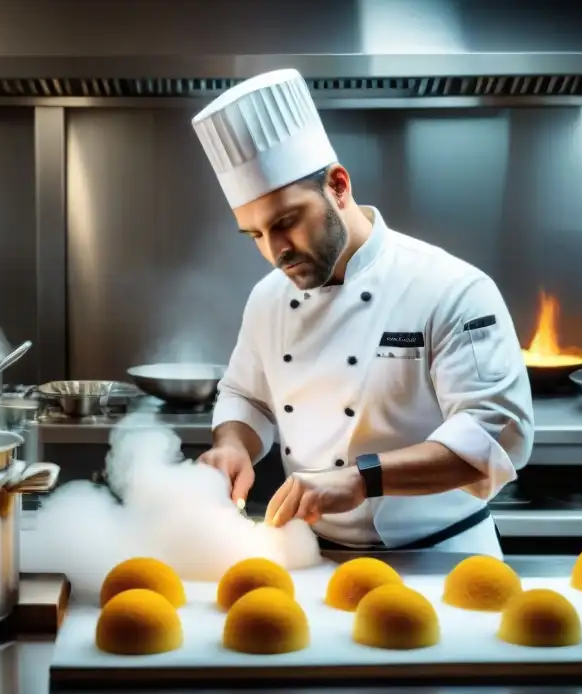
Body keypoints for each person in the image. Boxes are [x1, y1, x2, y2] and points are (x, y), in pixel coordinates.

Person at [191, 69, 534, 557]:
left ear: (338, 185)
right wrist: (233, 446)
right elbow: (248, 397)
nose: (276, 252)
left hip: (441, 559)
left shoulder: (452, 289)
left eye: (286, 222)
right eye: (256, 235)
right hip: (314, 558)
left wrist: (361, 479)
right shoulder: (268, 298)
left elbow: (496, 436)